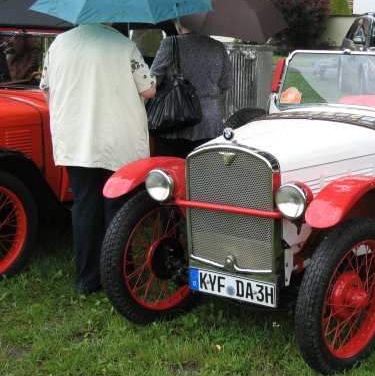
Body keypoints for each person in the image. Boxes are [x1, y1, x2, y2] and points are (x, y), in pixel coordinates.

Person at [39, 22, 156, 295]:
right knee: (117, 208)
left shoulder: (59, 44)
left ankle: (87, 279)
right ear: (111, 17)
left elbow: (46, 88)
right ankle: (121, 276)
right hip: (117, 138)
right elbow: (148, 90)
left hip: (76, 138)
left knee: (84, 204)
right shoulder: (124, 45)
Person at [149, 23, 233, 158]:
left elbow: (151, 81)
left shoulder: (170, 44)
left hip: (173, 120)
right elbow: (226, 85)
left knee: (172, 172)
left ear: (178, 24)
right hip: (209, 124)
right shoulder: (218, 47)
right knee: (204, 173)